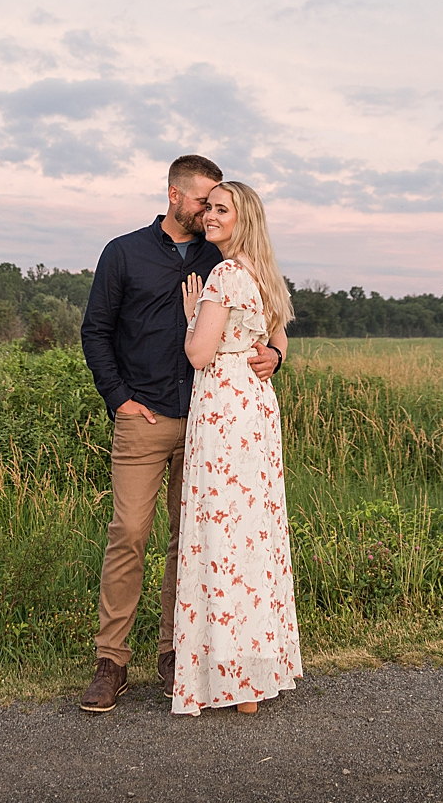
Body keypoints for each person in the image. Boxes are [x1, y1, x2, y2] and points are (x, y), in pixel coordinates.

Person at [78, 156, 286, 713]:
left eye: (217, 204)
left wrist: (274, 354)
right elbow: (95, 331)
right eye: (202, 200)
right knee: (129, 534)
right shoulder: (123, 252)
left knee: (189, 541)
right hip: (145, 418)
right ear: (175, 194)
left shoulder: (219, 254)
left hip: (208, 425)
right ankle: (111, 661)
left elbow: (271, 312)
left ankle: (176, 654)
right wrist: (120, 399)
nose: (207, 210)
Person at [171, 179, 301, 716]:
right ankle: (252, 677)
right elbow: (281, 335)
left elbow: (199, 353)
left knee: (220, 535)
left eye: (221, 210)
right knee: (252, 535)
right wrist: (266, 349)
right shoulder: (264, 274)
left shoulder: (224, 274)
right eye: (209, 209)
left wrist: (191, 318)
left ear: (242, 217)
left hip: (224, 410)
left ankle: (230, 679)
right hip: (256, 410)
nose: (210, 217)